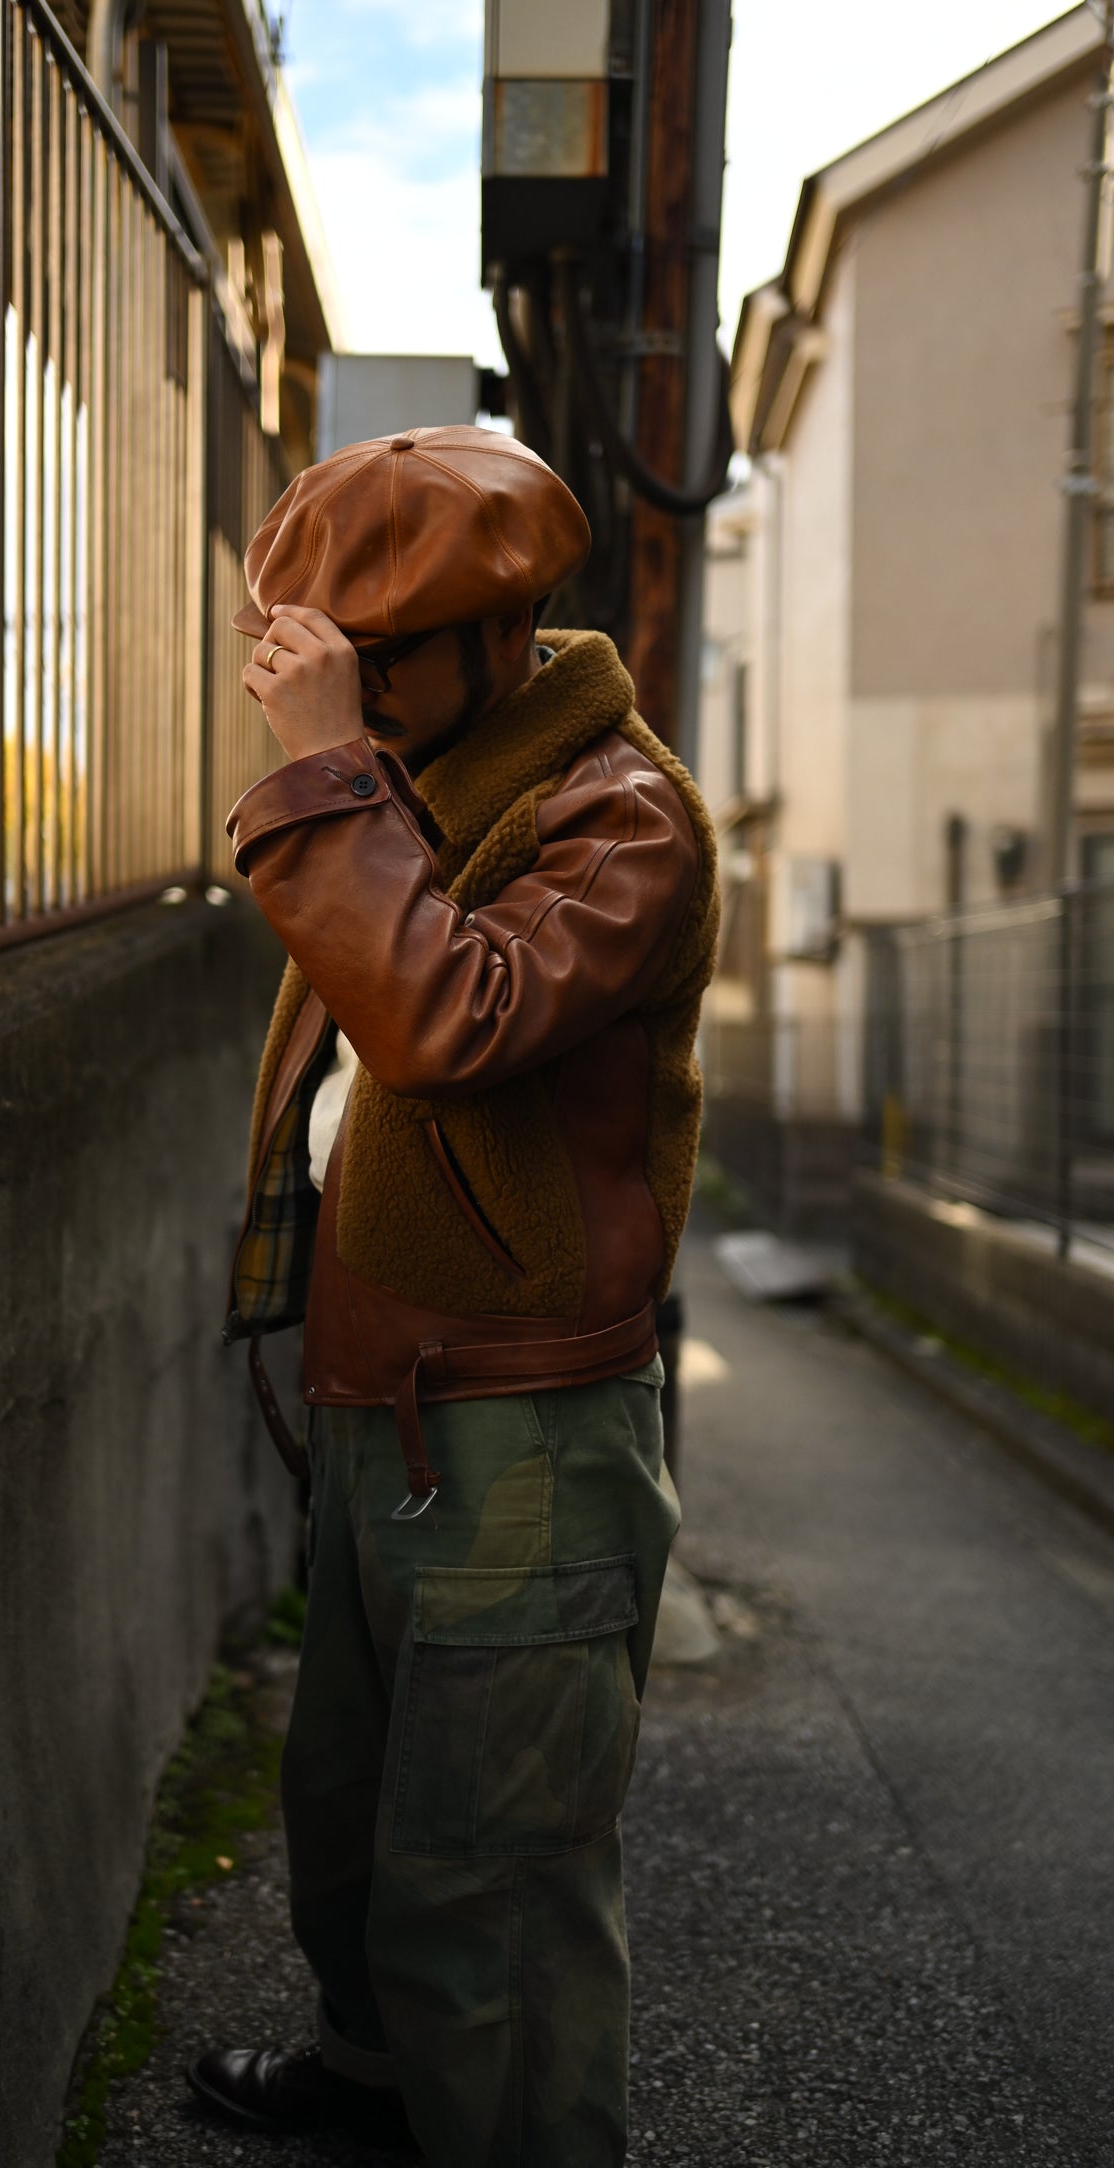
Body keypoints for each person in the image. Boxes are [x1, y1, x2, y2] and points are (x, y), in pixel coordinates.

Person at [191, 426, 719, 2168]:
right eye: (313, 656)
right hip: (389, 1402)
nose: (338, 690)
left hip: (522, 1431)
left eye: (374, 656)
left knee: (492, 1877)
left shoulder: (617, 815)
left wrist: (326, 770)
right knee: (350, 1819)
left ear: (503, 629)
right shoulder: (429, 779)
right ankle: (375, 2093)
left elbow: (447, 1019)